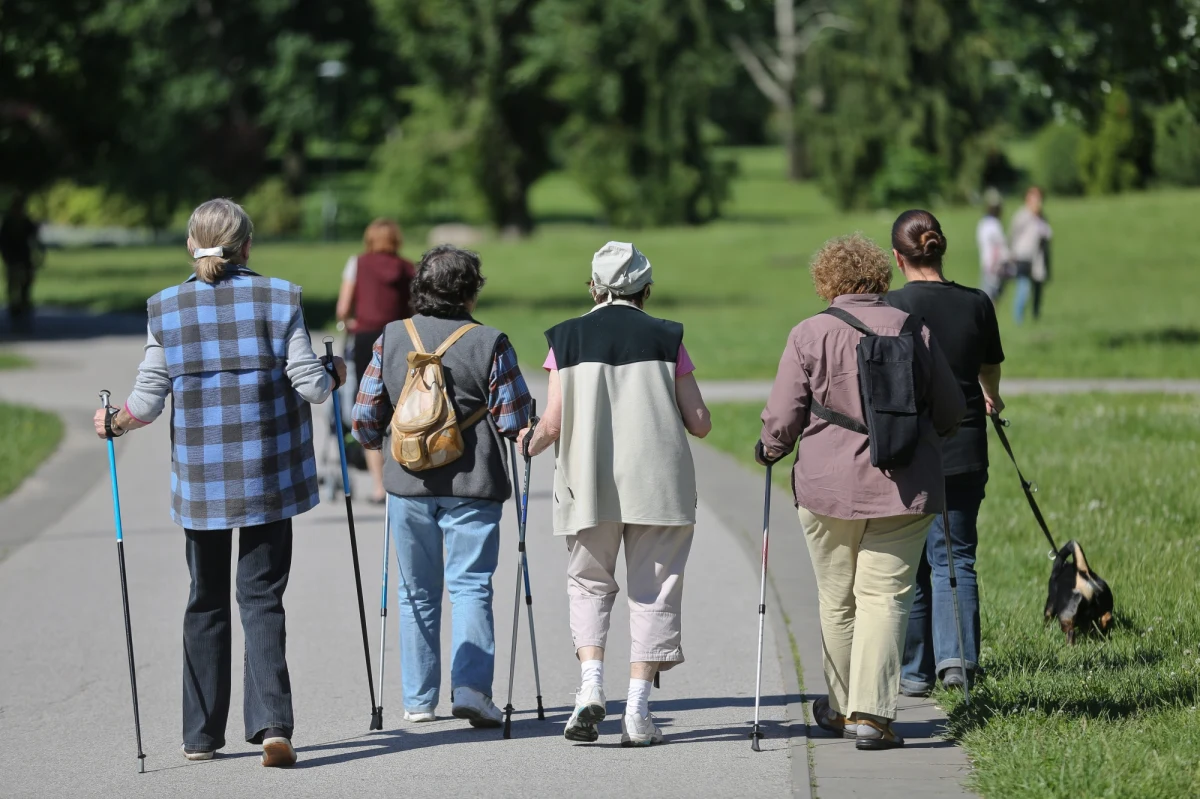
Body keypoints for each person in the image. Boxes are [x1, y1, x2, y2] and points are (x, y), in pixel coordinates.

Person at [91, 198, 345, 768]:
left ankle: (201, 736)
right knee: (261, 597)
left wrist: (114, 421)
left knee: (204, 600)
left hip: (202, 482)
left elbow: (147, 399)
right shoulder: (281, 297)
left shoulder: (167, 307)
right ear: (247, 246)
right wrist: (334, 372)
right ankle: (274, 725)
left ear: (191, 245)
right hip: (268, 477)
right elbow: (312, 386)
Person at [756, 232, 964, 750]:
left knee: (837, 599)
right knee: (885, 598)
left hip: (826, 490)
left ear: (826, 281)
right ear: (881, 276)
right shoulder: (915, 330)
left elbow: (783, 419)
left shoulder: (809, 333)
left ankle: (843, 707)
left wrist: (767, 450)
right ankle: (872, 715)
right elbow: (950, 411)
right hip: (904, 487)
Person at [519, 241, 712, 748]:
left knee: (588, 585)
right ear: (646, 290)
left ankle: (590, 687)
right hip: (659, 486)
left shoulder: (565, 338)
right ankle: (638, 711)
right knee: (655, 592)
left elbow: (552, 423)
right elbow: (699, 423)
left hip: (587, 482)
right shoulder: (668, 337)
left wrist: (527, 441)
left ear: (593, 288)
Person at [351, 245, 533, 728]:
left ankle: (418, 700)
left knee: (416, 594)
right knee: (471, 586)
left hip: (408, 486)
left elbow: (365, 420)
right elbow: (515, 419)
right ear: (471, 292)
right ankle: (472, 689)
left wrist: (382, 438)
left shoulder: (391, 337)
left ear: (420, 289)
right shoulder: (490, 341)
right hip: (474, 483)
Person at [886, 210, 1005, 697]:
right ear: (941, 248)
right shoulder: (977, 303)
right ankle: (959, 662)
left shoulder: (889, 307)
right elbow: (989, 372)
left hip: (907, 448)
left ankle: (915, 670)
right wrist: (991, 394)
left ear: (899, 258)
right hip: (965, 444)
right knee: (956, 554)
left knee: (912, 562)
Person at [337, 218, 416, 503]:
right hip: (401, 338)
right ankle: (405, 473)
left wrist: (350, 321)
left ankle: (378, 486)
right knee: (402, 404)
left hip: (366, 337)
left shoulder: (357, 264)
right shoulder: (408, 268)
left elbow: (343, 308)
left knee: (369, 403)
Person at [0, 194, 43, 330]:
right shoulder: (9, 223)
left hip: (24, 260)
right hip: (13, 260)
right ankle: (16, 313)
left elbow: (34, 238)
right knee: (14, 289)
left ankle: (23, 313)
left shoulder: (25, 222)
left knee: (25, 288)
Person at [1010, 185, 1052, 323]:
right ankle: (1018, 318)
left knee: (1038, 290)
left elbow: (1047, 236)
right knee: (1024, 288)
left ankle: (1036, 317)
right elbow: (1013, 235)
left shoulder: (1042, 218)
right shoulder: (1022, 216)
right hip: (1024, 257)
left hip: (1038, 259)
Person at [975, 188, 1010, 304]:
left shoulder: (983, 223)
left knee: (988, 294)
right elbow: (1000, 246)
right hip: (994, 264)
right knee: (991, 296)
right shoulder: (994, 225)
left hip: (986, 262)